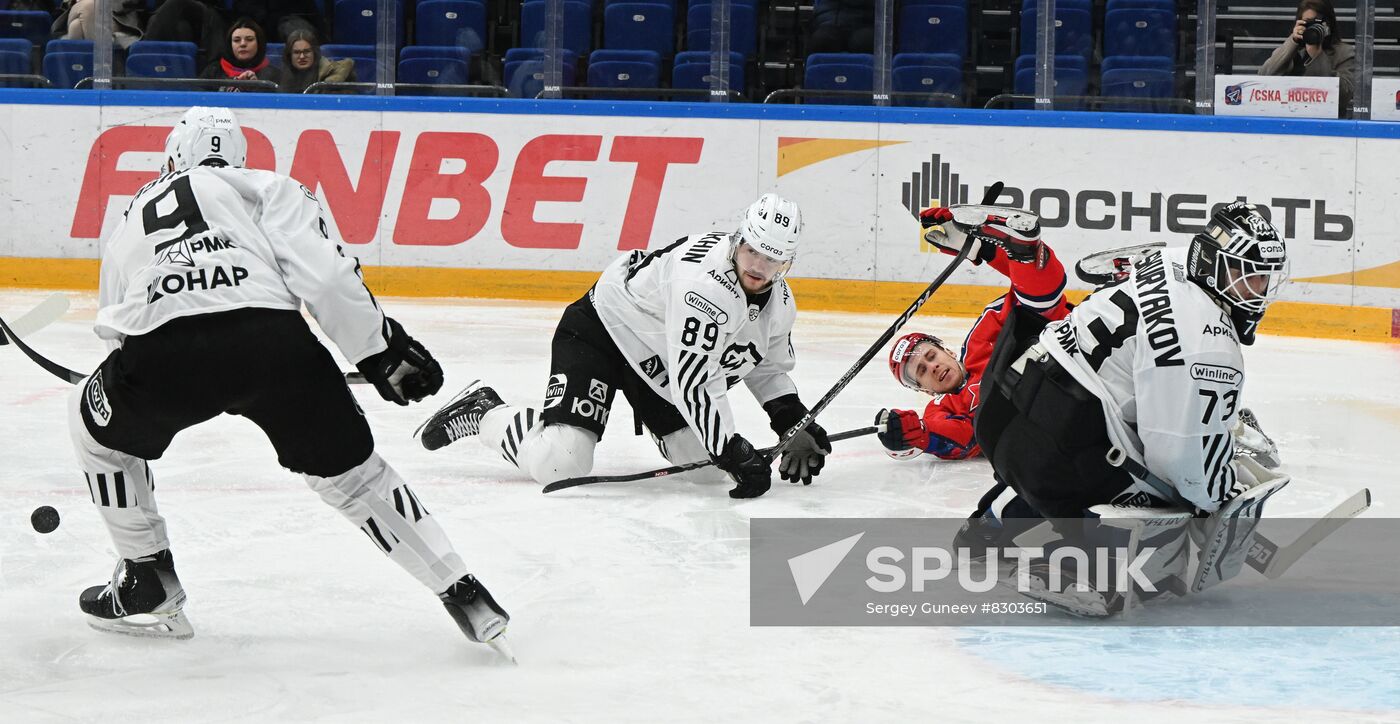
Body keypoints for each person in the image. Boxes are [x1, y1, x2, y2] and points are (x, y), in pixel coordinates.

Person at [70, 107, 511, 656]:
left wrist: (133, 374)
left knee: (98, 435)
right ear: (237, 156)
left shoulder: (136, 208)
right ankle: (462, 591)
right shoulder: (267, 184)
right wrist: (379, 351)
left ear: (172, 156)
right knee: (356, 479)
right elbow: (325, 276)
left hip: (164, 354)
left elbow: (116, 318)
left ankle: (147, 575)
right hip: (274, 344)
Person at [415, 194, 831, 499]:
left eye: (773, 260)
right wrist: (730, 448)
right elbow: (695, 385)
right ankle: (486, 412)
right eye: (752, 250)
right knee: (560, 463)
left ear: (787, 264)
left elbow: (767, 367)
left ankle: (660, 423)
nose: (758, 267)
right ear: (739, 239)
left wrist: (792, 422)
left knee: (705, 471)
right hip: (603, 332)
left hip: (655, 363)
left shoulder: (780, 304)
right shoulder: (703, 287)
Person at [877, 205, 1070, 466]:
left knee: (1036, 306)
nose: (933, 367)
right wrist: (919, 435)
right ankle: (1020, 251)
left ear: (948, 351)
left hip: (1077, 348)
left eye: (932, 356)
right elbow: (965, 437)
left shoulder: (981, 339)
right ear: (923, 389)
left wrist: (986, 252)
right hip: (1065, 406)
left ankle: (1021, 249)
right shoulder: (942, 409)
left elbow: (1037, 302)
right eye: (922, 371)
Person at [1258, 0, 1356, 115]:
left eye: (1316, 23)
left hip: (1326, 122)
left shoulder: (1344, 53)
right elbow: (1263, 78)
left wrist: (1317, 56)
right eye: (1307, 23)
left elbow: (1344, 96)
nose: (1312, 28)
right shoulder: (1291, 50)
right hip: (1287, 118)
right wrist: (1293, 41)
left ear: (1328, 24)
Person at [198, 17, 280, 89]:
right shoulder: (213, 71)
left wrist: (256, 88)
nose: (243, 44)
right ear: (230, 45)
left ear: (259, 43)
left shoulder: (273, 75)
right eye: (237, 40)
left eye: (249, 39)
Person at [278, 28, 355, 94]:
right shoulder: (278, 76)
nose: (302, 56)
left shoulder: (334, 75)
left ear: (315, 53)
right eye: (297, 52)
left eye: (306, 51)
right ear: (289, 55)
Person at [52, 0, 144, 50]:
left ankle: (81, 75)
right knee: (89, 5)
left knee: (75, 27)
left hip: (115, 17)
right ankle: (100, 70)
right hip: (82, 7)